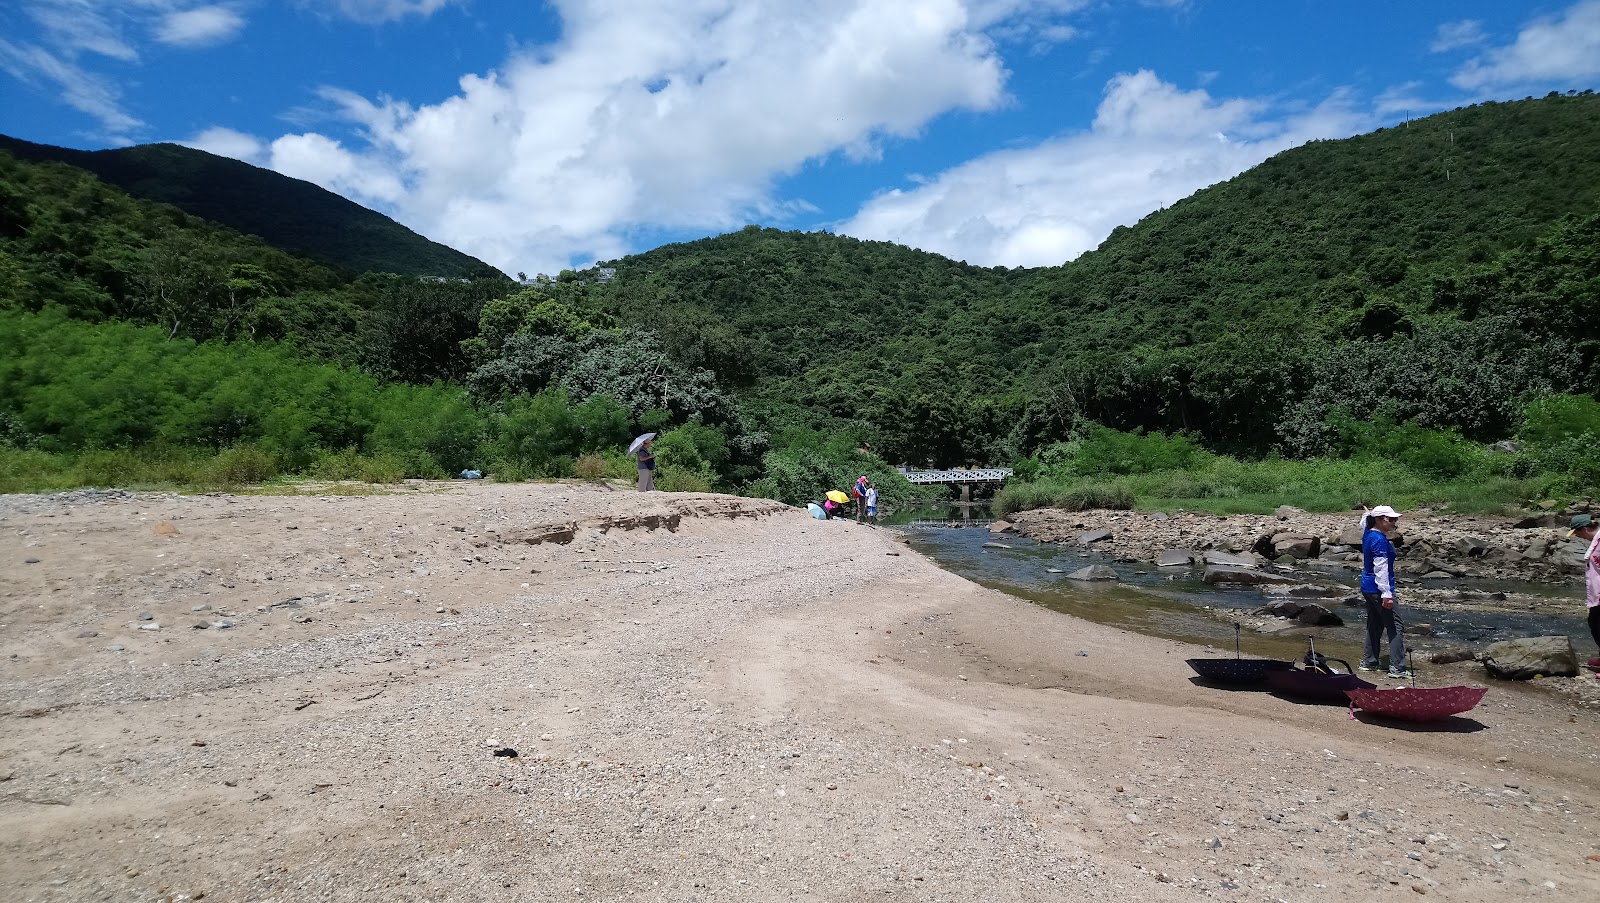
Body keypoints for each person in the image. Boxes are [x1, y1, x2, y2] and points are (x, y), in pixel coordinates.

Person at [1358, 505, 1409, 678]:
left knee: (1375, 623)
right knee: (1395, 626)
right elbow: (1381, 568)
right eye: (1391, 519)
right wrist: (1387, 594)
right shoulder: (1379, 540)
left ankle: (1369, 662)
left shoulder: (1368, 533)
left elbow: (1364, 521)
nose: (1395, 522)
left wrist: (1368, 514)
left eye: (1396, 519)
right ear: (1379, 520)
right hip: (1379, 588)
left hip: (1367, 586)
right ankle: (1398, 668)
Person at [1569, 513, 1600, 675]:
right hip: (1596, 594)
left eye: (1577, 532)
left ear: (1586, 529)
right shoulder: (1595, 542)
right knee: (1594, 623)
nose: (1576, 536)